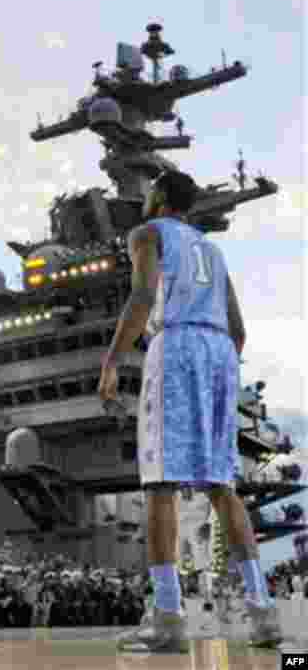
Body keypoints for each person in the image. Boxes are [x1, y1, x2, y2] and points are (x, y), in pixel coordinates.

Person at [98, 170, 282, 652]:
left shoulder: (148, 232)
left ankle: (168, 617)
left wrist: (113, 360)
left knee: (159, 482)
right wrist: (216, 362)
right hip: (221, 351)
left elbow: (142, 295)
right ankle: (263, 613)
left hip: (177, 343)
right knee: (222, 485)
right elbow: (239, 328)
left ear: (157, 197)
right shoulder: (212, 250)